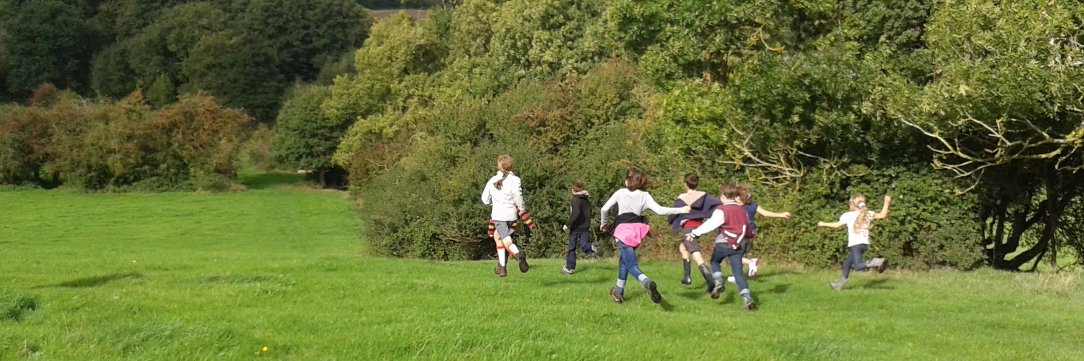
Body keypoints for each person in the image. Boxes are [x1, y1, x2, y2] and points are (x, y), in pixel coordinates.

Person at [600, 168, 690, 304]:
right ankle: (618, 291)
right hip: (636, 231)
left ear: (628, 181)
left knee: (631, 265)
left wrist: (604, 224)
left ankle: (647, 282)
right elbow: (660, 210)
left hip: (623, 231)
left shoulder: (620, 193)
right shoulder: (645, 195)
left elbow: (604, 209)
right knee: (624, 261)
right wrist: (681, 210)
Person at [685, 182, 758, 311]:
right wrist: (751, 235)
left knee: (714, 261)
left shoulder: (722, 209)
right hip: (738, 244)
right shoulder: (742, 210)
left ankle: (718, 283)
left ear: (723, 196)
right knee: (738, 272)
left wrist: (694, 233)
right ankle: (747, 297)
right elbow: (746, 227)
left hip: (723, 242)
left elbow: (711, 224)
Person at [816, 194, 892, 291]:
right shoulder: (868, 213)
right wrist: (886, 203)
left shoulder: (848, 215)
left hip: (856, 244)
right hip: (864, 244)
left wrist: (823, 223)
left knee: (858, 266)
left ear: (853, 204)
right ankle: (839, 285)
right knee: (847, 263)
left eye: (849, 203)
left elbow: (837, 225)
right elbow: (882, 215)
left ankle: (875, 262)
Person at [666, 173, 720, 287]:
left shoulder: (682, 199)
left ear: (685, 184)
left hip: (688, 227)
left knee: (694, 250)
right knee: (683, 247)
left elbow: (673, 213)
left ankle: (711, 281)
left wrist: (671, 220)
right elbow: (718, 205)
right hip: (699, 226)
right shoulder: (705, 197)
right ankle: (687, 277)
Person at [481, 155, 530, 277]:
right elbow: (518, 197)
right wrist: (522, 209)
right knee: (498, 237)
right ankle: (502, 268)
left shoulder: (493, 180)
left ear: (499, 165)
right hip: (512, 216)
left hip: (499, 216)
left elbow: (485, 199)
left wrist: (494, 202)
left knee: (505, 240)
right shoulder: (516, 180)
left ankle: (519, 255)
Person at [733, 185, 791, 279]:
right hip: (751, 233)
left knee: (733, 255)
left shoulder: (736, 207)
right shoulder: (753, 205)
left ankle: (751, 262)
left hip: (740, 233)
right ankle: (737, 277)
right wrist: (781, 214)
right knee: (741, 255)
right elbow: (765, 213)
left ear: (738, 197)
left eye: (736, 196)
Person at [562, 180, 594, 275]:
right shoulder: (586, 199)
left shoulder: (575, 200)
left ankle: (569, 268)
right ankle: (591, 247)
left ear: (573, 190)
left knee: (572, 247)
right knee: (584, 245)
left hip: (576, 227)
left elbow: (575, 213)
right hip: (585, 226)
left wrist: (567, 224)